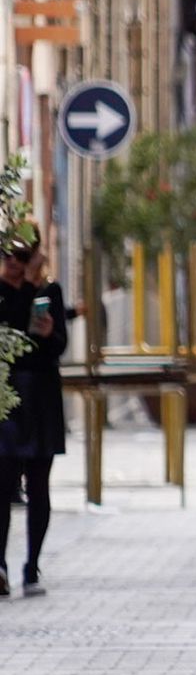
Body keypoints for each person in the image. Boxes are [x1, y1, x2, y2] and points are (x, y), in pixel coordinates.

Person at [0, 232, 68, 598]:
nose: (15, 262)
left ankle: (32, 565)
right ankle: (0, 565)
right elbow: (10, 339)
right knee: (3, 484)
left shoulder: (50, 293)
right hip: (8, 397)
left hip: (41, 396)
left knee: (39, 485)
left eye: (24, 255)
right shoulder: (4, 293)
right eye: (9, 254)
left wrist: (51, 331)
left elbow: (57, 347)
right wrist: (24, 287)